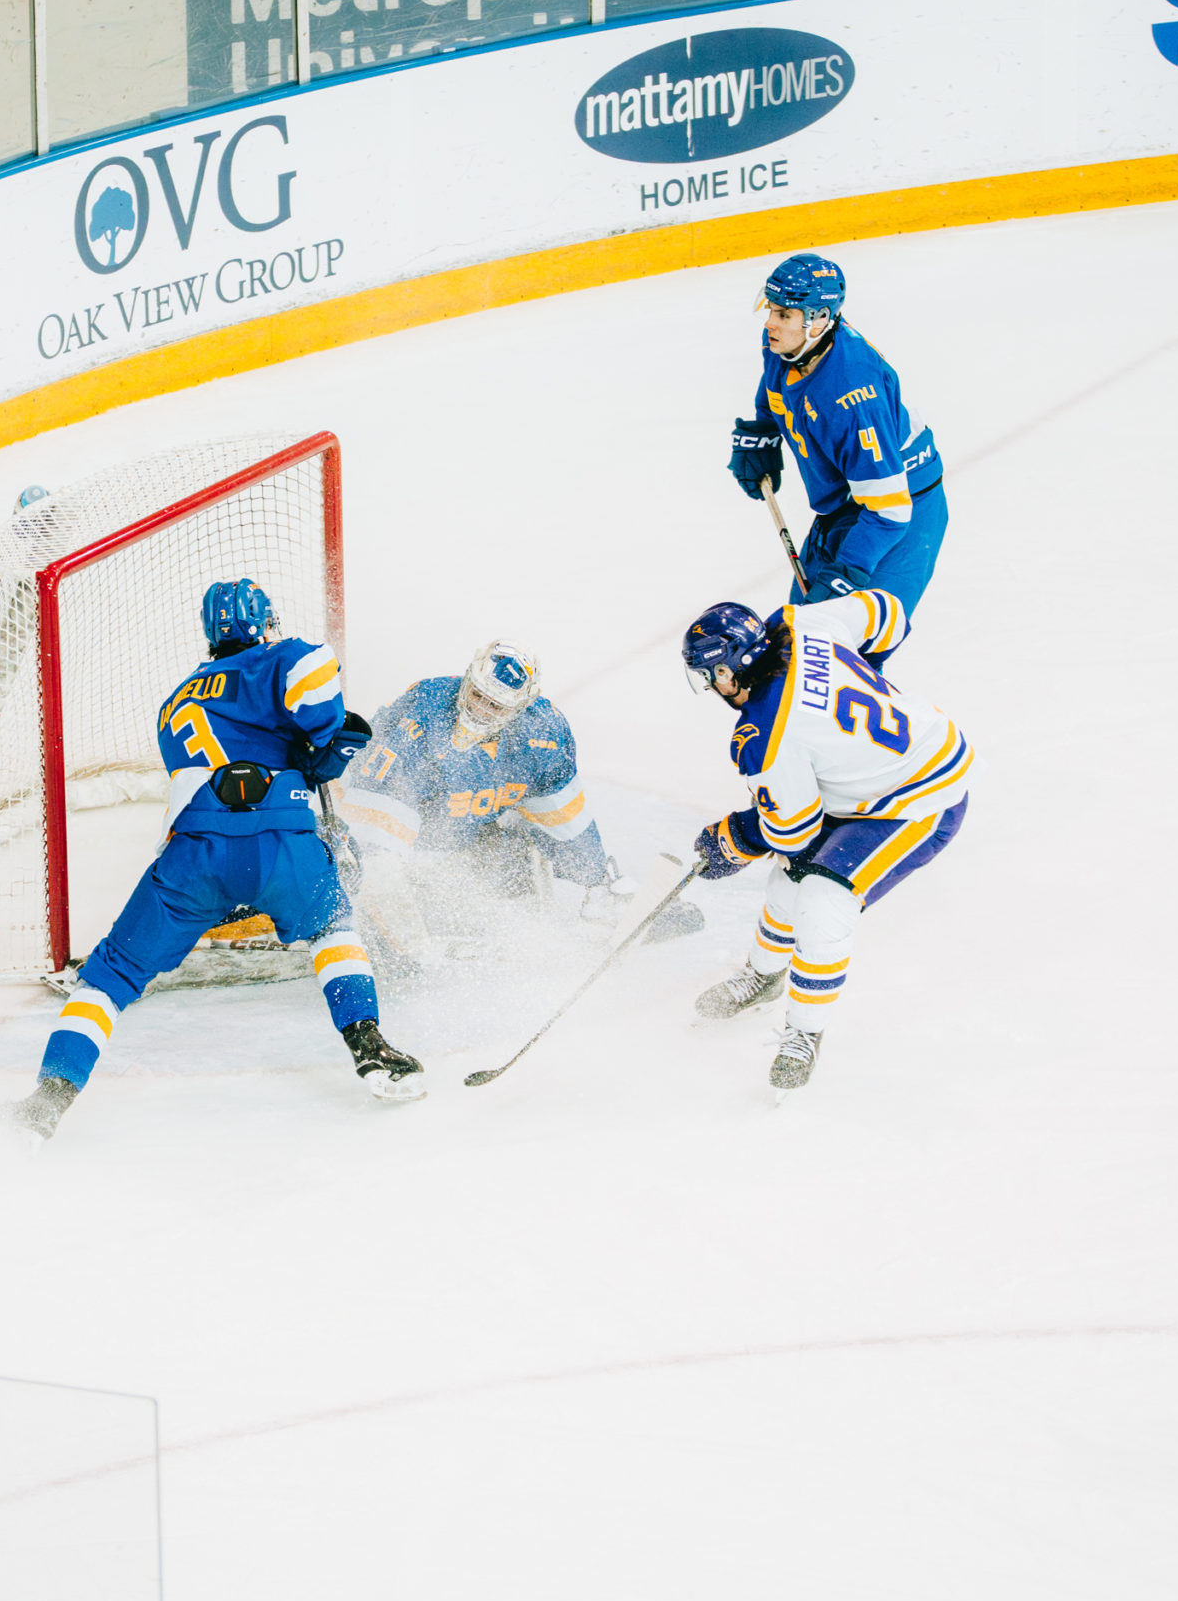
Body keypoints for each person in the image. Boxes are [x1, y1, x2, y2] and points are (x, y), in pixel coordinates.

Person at [14, 579, 426, 1136]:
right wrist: (327, 739)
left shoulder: (175, 703)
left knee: (109, 975)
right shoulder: (281, 658)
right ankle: (369, 1046)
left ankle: (48, 1098)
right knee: (333, 927)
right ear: (265, 623)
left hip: (194, 855)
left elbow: (226, 750)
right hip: (282, 840)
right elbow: (315, 674)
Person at [680, 592, 971, 1091]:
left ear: (729, 671)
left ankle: (805, 1032)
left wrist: (735, 838)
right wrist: (849, 676)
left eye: (711, 676)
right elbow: (888, 614)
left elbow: (792, 831)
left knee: (823, 898)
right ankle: (765, 976)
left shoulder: (763, 734)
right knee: (788, 882)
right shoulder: (798, 622)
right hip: (882, 770)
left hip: (922, 799)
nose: (712, 688)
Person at [339, 640, 701, 964]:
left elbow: (564, 823)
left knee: (513, 848)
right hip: (398, 846)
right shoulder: (420, 717)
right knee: (377, 902)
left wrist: (595, 886)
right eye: (478, 695)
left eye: (496, 706)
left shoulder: (543, 733)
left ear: (521, 707)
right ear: (468, 680)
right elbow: (374, 850)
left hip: (468, 836)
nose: (481, 710)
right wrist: (414, 947)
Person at [727, 253, 948, 620]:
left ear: (819, 320)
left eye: (783, 314)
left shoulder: (853, 397)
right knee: (796, 636)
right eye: (772, 310)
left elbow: (889, 511)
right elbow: (775, 386)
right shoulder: (788, 345)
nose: (770, 323)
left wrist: (846, 574)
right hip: (850, 503)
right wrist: (765, 431)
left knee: (848, 648)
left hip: (901, 511)